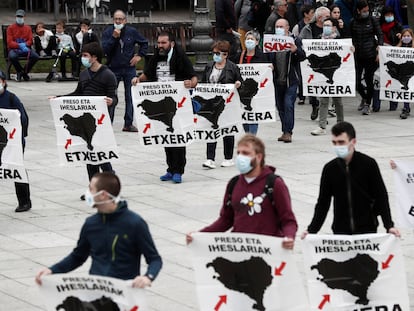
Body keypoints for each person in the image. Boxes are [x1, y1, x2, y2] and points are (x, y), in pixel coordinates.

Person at [35, 172, 162, 288]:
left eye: (91, 189)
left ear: (103, 195)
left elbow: (155, 259)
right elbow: (78, 256)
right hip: (97, 292)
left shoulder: (134, 223)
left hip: (125, 292)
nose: (88, 193)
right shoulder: (91, 224)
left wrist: (147, 277)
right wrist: (52, 270)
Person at [186, 134, 298, 250]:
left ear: (259, 157)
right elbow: (226, 220)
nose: (240, 157)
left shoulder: (274, 184)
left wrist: (289, 237)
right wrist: (200, 235)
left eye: (245, 153)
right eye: (238, 153)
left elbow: (288, 220)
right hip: (240, 251)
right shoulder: (234, 184)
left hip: (268, 251)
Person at [301, 121, 401, 237]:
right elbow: (323, 203)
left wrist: (389, 226)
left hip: (367, 230)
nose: (338, 146)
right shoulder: (330, 169)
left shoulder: (369, 164)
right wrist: (311, 230)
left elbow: (381, 196)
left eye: (341, 142)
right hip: (340, 231)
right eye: (334, 143)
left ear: (353, 142)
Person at [132, 31, 198, 184]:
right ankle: (170, 169)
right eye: (159, 43)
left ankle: (178, 170)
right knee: (166, 135)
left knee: (178, 136)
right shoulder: (156, 58)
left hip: (177, 104)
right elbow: (147, 74)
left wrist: (191, 83)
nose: (160, 46)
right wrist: (138, 80)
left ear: (172, 44)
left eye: (163, 43)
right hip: (160, 102)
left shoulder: (181, 58)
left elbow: (193, 77)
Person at [59, 42, 118, 200]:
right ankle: (94, 189)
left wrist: (111, 102)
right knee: (90, 157)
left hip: (101, 122)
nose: (83, 58)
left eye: (85, 56)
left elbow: (114, 97)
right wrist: (59, 99)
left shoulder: (108, 75)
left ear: (94, 57)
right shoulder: (84, 74)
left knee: (102, 157)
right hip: (85, 121)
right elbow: (77, 93)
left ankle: (111, 188)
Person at [102, 10, 149, 133]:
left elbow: (144, 43)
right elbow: (105, 50)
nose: (118, 21)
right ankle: (108, 123)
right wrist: (114, 38)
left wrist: (139, 55)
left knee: (130, 96)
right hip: (113, 68)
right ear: (113, 20)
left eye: (120, 19)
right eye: (116, 19)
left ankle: (128, 123)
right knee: (111, 96)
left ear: (125, 20)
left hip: (129, 68)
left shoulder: (131, 31)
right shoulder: (108, 32)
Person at [201, 40, 242, 169]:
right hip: (212, 103)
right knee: (211, 129)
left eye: (218, 53)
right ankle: (210, 158)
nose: (215, 56)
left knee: (227, 129)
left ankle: (228, 157)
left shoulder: (232, 67)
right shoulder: (209, 66)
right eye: (214, 53)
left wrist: (238, 84)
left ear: (225, 55)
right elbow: (203, 83)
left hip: (226, 103)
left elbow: (241, 81)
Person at [0, 70, 31, 212]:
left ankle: (24, 201)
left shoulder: (12, 98)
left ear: (4, 82)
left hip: (13, 142)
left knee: (16, 169)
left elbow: (23, 118)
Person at [271, 18, 305, 143]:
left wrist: (295, 51)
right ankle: (284, 130)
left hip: (291, 80)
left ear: (287, 27)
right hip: (277, 80)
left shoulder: (295, 40)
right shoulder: (272, 41)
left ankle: (288, 132)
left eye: (281, 26)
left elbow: (303, 56)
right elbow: (266, 56)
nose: (279, 29)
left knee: (288, 104)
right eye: (277, 26)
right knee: (280, 106)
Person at [310, 18, 345, 136]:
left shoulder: (340, 41)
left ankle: (340, 125)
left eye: (328, 25)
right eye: (324, 25)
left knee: (338, 101)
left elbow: (345, 54)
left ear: (334, 27)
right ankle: (322, 126)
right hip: (324, 75)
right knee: (323, 100)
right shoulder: (318, 40)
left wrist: (350, 50)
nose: (326, 27)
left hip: (336, 74)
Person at [350, 0, 383, 115]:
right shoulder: (353, 22)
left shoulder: (372, 20)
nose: (366, 13)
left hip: (371, 55)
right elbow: (351, 37)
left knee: (369, 80)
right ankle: (364, 97)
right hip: (358, 56)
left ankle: (368, 104)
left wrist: (380, 48)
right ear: (358, 11)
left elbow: (379, 34)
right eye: (364, 11)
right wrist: (352, 46)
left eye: (367, 11)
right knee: (357, 82)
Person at [299, 6, 331, 121]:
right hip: (312, 64)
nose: (329, 18)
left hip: (326, 63)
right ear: (319, 17)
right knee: (312, 88)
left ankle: (323, 116)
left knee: (324, 90)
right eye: (327, 16)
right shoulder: (308, 28)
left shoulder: (331, 28)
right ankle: (314, 105)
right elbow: (300, 41)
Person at [237, 30, 270, 135]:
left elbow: (265, 72)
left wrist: (269, 69)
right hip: (242, 90)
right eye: (247, 39)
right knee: (244, 114)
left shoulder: (262, 56)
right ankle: (247, 133)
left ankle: (252, 136)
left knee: (254, 113)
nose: (249, 41)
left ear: (257, 42)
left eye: (252, 39)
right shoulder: (240, 55)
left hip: (255, 91)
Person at [7, 9, 39, 82]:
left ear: (24, 17)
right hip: (14, 49)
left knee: (35, 56)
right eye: (18, 16)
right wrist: (19, 45)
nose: (19, 18)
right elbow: (9, 42)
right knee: (12, 56)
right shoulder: (10, 28)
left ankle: (24, 72)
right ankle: (20, 71)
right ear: (15, 17)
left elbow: (30, 40)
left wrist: (25, 45)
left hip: (25, 48)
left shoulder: (28, 28)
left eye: (21, 16)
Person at [396, 28, 414, 119]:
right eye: (404, 36)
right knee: (406, 90)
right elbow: (391, 53)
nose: (406, 37)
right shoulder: (399, 47)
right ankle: (406, 108)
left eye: (408, 36)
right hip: (406, 74)